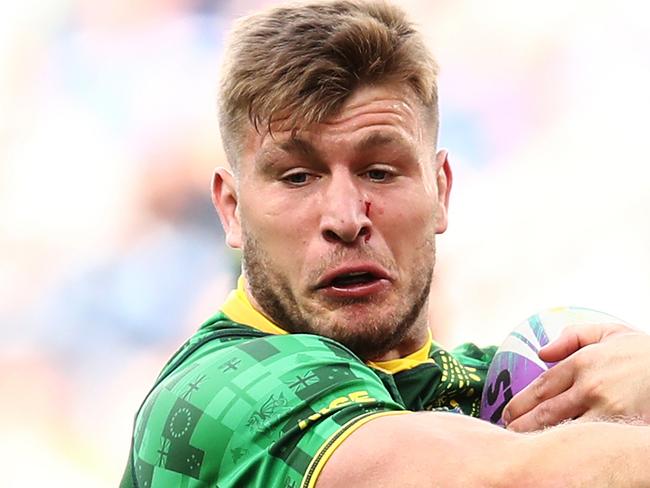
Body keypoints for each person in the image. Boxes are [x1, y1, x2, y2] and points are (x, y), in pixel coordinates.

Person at [121, 1, 650, 486]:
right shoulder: (220, 396)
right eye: (298, 177)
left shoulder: (490, 384)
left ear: (440, 190)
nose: (347, 219)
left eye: (379, 171)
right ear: (231, 209)